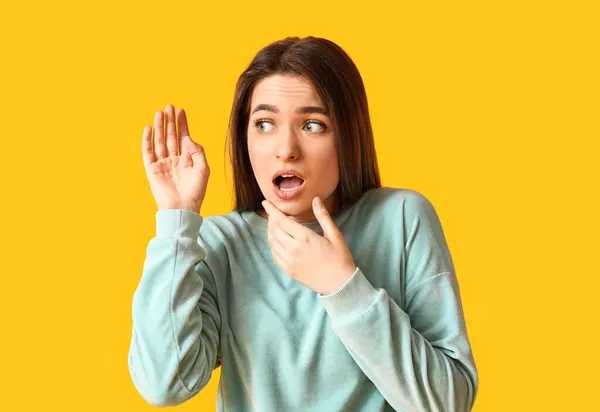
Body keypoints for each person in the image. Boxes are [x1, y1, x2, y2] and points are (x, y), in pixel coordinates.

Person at [127, 36, 479, 411]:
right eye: (264, 124)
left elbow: (448, 403)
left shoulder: (403, 218)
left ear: (348, 134)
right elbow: (163, 384)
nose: (286, 148)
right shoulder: (221, 243)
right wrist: (177, 221)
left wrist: (342, 286)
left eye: (312, 125)